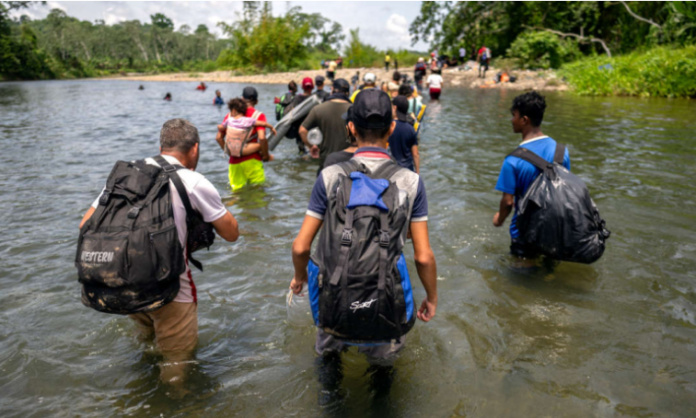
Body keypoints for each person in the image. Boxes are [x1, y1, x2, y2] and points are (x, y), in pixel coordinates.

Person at [289, 88, 437, 403]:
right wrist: (431, 297)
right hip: (384, 297)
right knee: (383, 378)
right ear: (393, 127)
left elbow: (301, 246)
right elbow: (423, 257)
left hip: (334, 293)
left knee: (329, 369)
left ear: (352, 128)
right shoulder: (411, 182)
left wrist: (300, 278)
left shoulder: (330, 175)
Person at [78, 118, 240, 388]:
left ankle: (139, 390)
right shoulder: (194, 181)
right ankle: (174, 402)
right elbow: (232, 233)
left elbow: (85, 224)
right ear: (195, 149)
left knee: (146, 346)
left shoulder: (125, 176)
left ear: (162, 145)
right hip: (172, 289)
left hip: (125, 281)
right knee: (177, 363)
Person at [493, 92, 570, 261]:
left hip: (524, 232)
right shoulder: (561, 151)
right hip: (554, 231)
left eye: (514, 116)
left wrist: (499, 219)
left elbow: (507, 202)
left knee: (521, 280)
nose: (511, 120)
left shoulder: (513, 160)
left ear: (524, 120)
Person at [215, 87, 272, 191]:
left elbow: (218, 138)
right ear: (256, 101)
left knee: (236, 193)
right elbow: (262, 138)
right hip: (253, 160)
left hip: (234, 162)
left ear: (242, 98)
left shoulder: (230, 115)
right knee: (258, 193)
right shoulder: (258, 116)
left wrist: (231, 152)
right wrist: (266, 155)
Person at [299, 78, 352, 169]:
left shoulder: (318, 109)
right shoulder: (354, 109)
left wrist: (311, 147)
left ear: (332, 90)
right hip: (349, 162)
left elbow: (302, 130)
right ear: (348, 93)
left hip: (326, 163)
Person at [389, 95, 420, 173]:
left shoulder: (389, 127)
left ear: (395, 108)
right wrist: (417, 172)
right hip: (408, 170)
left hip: (393, 169)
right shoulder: (410, 129)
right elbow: (415, 154)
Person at [285, 77, 316, 153]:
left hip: (300, 131)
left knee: (302, 152)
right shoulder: (315, 99)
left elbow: (288, 112)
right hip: (314, 131)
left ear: (302, 87)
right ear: (313, 87)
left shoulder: (297, 98)